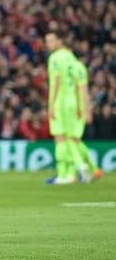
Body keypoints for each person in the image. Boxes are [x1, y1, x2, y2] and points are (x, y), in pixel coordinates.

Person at [44, 31, 91, 185]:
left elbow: (56, 81)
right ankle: (71, 174)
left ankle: (66, 173)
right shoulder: (72, 59)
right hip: (73, 101)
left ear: (60, 41)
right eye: (47, 41)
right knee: (71, 138)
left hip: (60, 101)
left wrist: (51, 105)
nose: (48, 44)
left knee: (60, 138)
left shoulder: (55, 58)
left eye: (51, 40)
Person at [69, 58, 102, 180]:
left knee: (71, 140)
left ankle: (82, 169)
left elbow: (84, 91)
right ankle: (93, 169)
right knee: (75, 141)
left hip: (76, 110)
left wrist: (87, 110)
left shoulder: (76, 69)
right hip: (74, 109)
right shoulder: (76, 69)